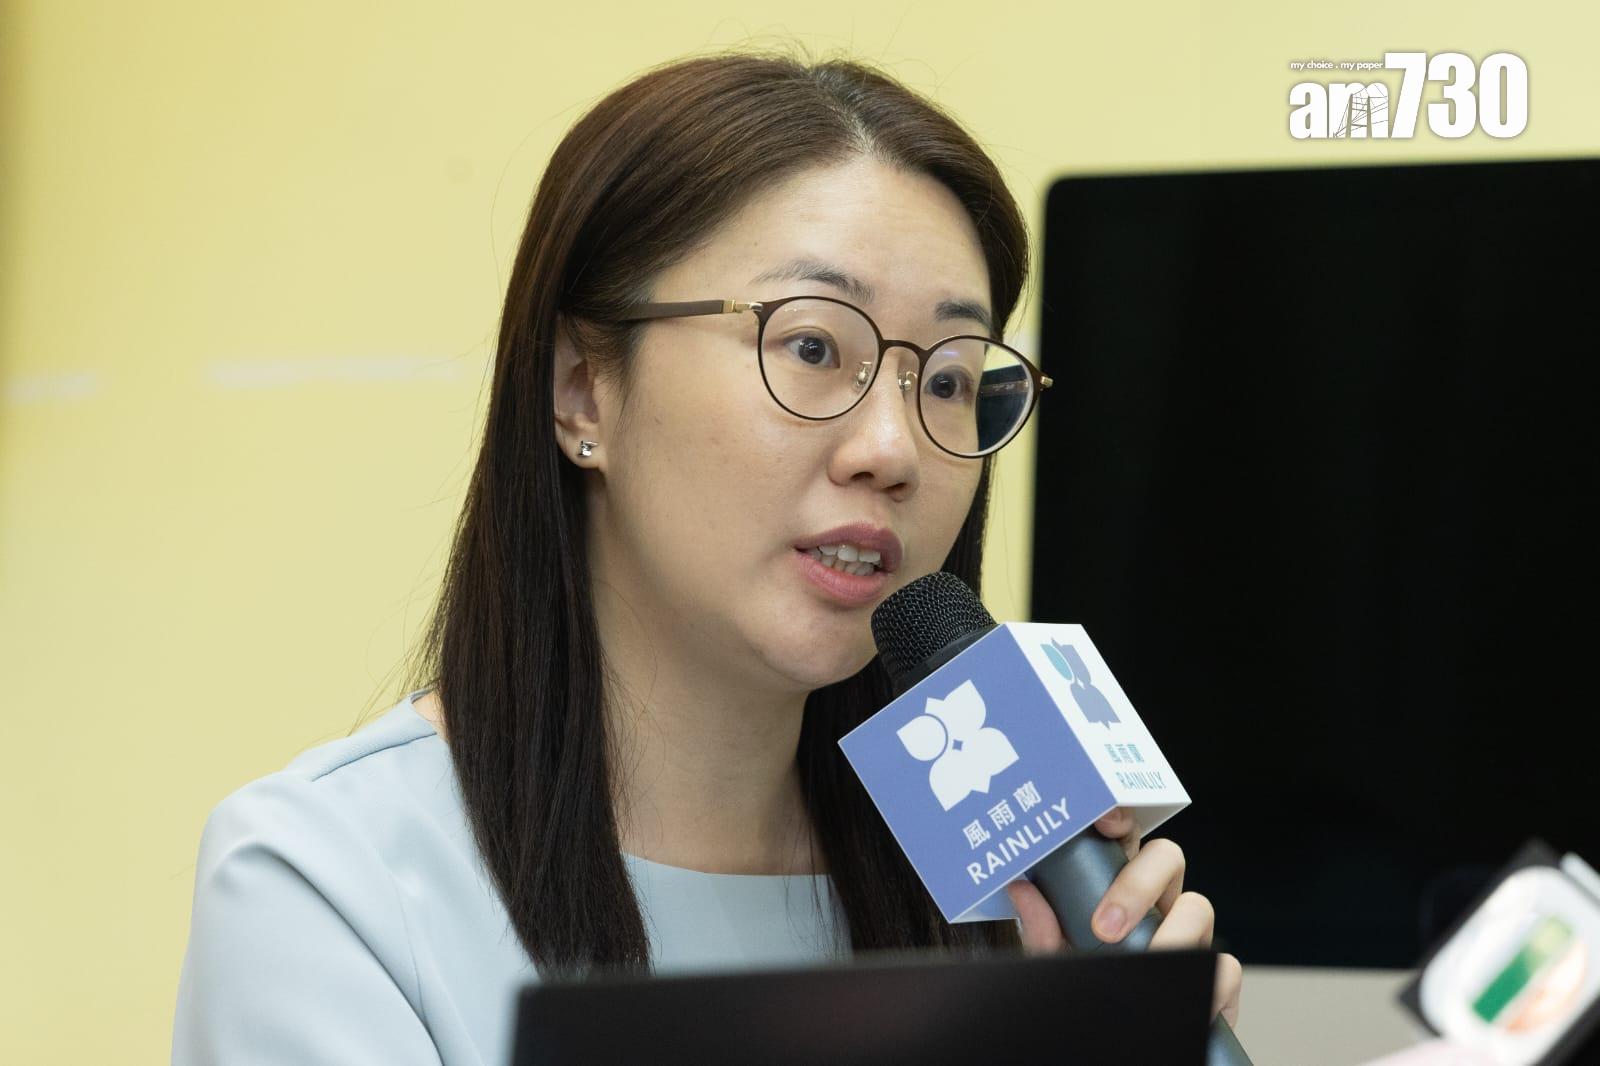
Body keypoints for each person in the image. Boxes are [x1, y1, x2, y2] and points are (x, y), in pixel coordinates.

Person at [171, 47, 1242, 1065]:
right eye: (813, 346)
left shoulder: (990, 894)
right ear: (582, 389)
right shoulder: (330, 880)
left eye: (950, 378)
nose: (893, 450)